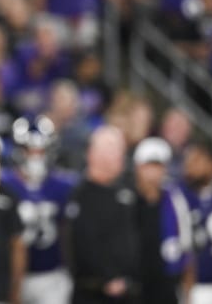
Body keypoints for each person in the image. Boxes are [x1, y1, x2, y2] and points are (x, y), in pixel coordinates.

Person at [2, 116, 76, 304]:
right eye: (29, 150)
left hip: (51, 275)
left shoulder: (62, 186)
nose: (35, 156)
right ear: (19, 150)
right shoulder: (5, 185)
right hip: (11, 274)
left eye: (41, 150)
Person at [65, 125, 139, 304]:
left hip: (126, 290)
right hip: (93, 292)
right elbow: (83, 243)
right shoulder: (82, 196)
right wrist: (108, 278)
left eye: (121, 150)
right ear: (94, 154)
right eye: (115, 151)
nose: (121, 157)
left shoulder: (125, 191)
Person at [132, 137, 193, 304]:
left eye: (158, 166)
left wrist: (188, 296)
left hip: (167, 286)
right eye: (148, 166)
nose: (153, 173)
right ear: (137, 168)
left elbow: (186, 248)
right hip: (134, 288)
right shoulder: (127, 200)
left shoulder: (175, 199)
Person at [177, 141, 212, 304]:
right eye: (188, 162)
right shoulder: (180, 196)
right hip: (196, 286)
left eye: (196, 161)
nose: (190, 167)